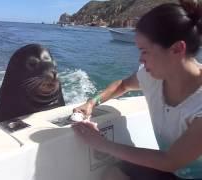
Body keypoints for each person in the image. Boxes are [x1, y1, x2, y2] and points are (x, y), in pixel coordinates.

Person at [72, 0, 202, 179]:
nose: (141, 59)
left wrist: (101, 143)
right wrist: (93, 102)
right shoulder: (153, 77)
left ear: (177, 49)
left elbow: (171, 161)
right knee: (113, 173)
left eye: (145, 51)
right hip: (172, 173)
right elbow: (123, 85)